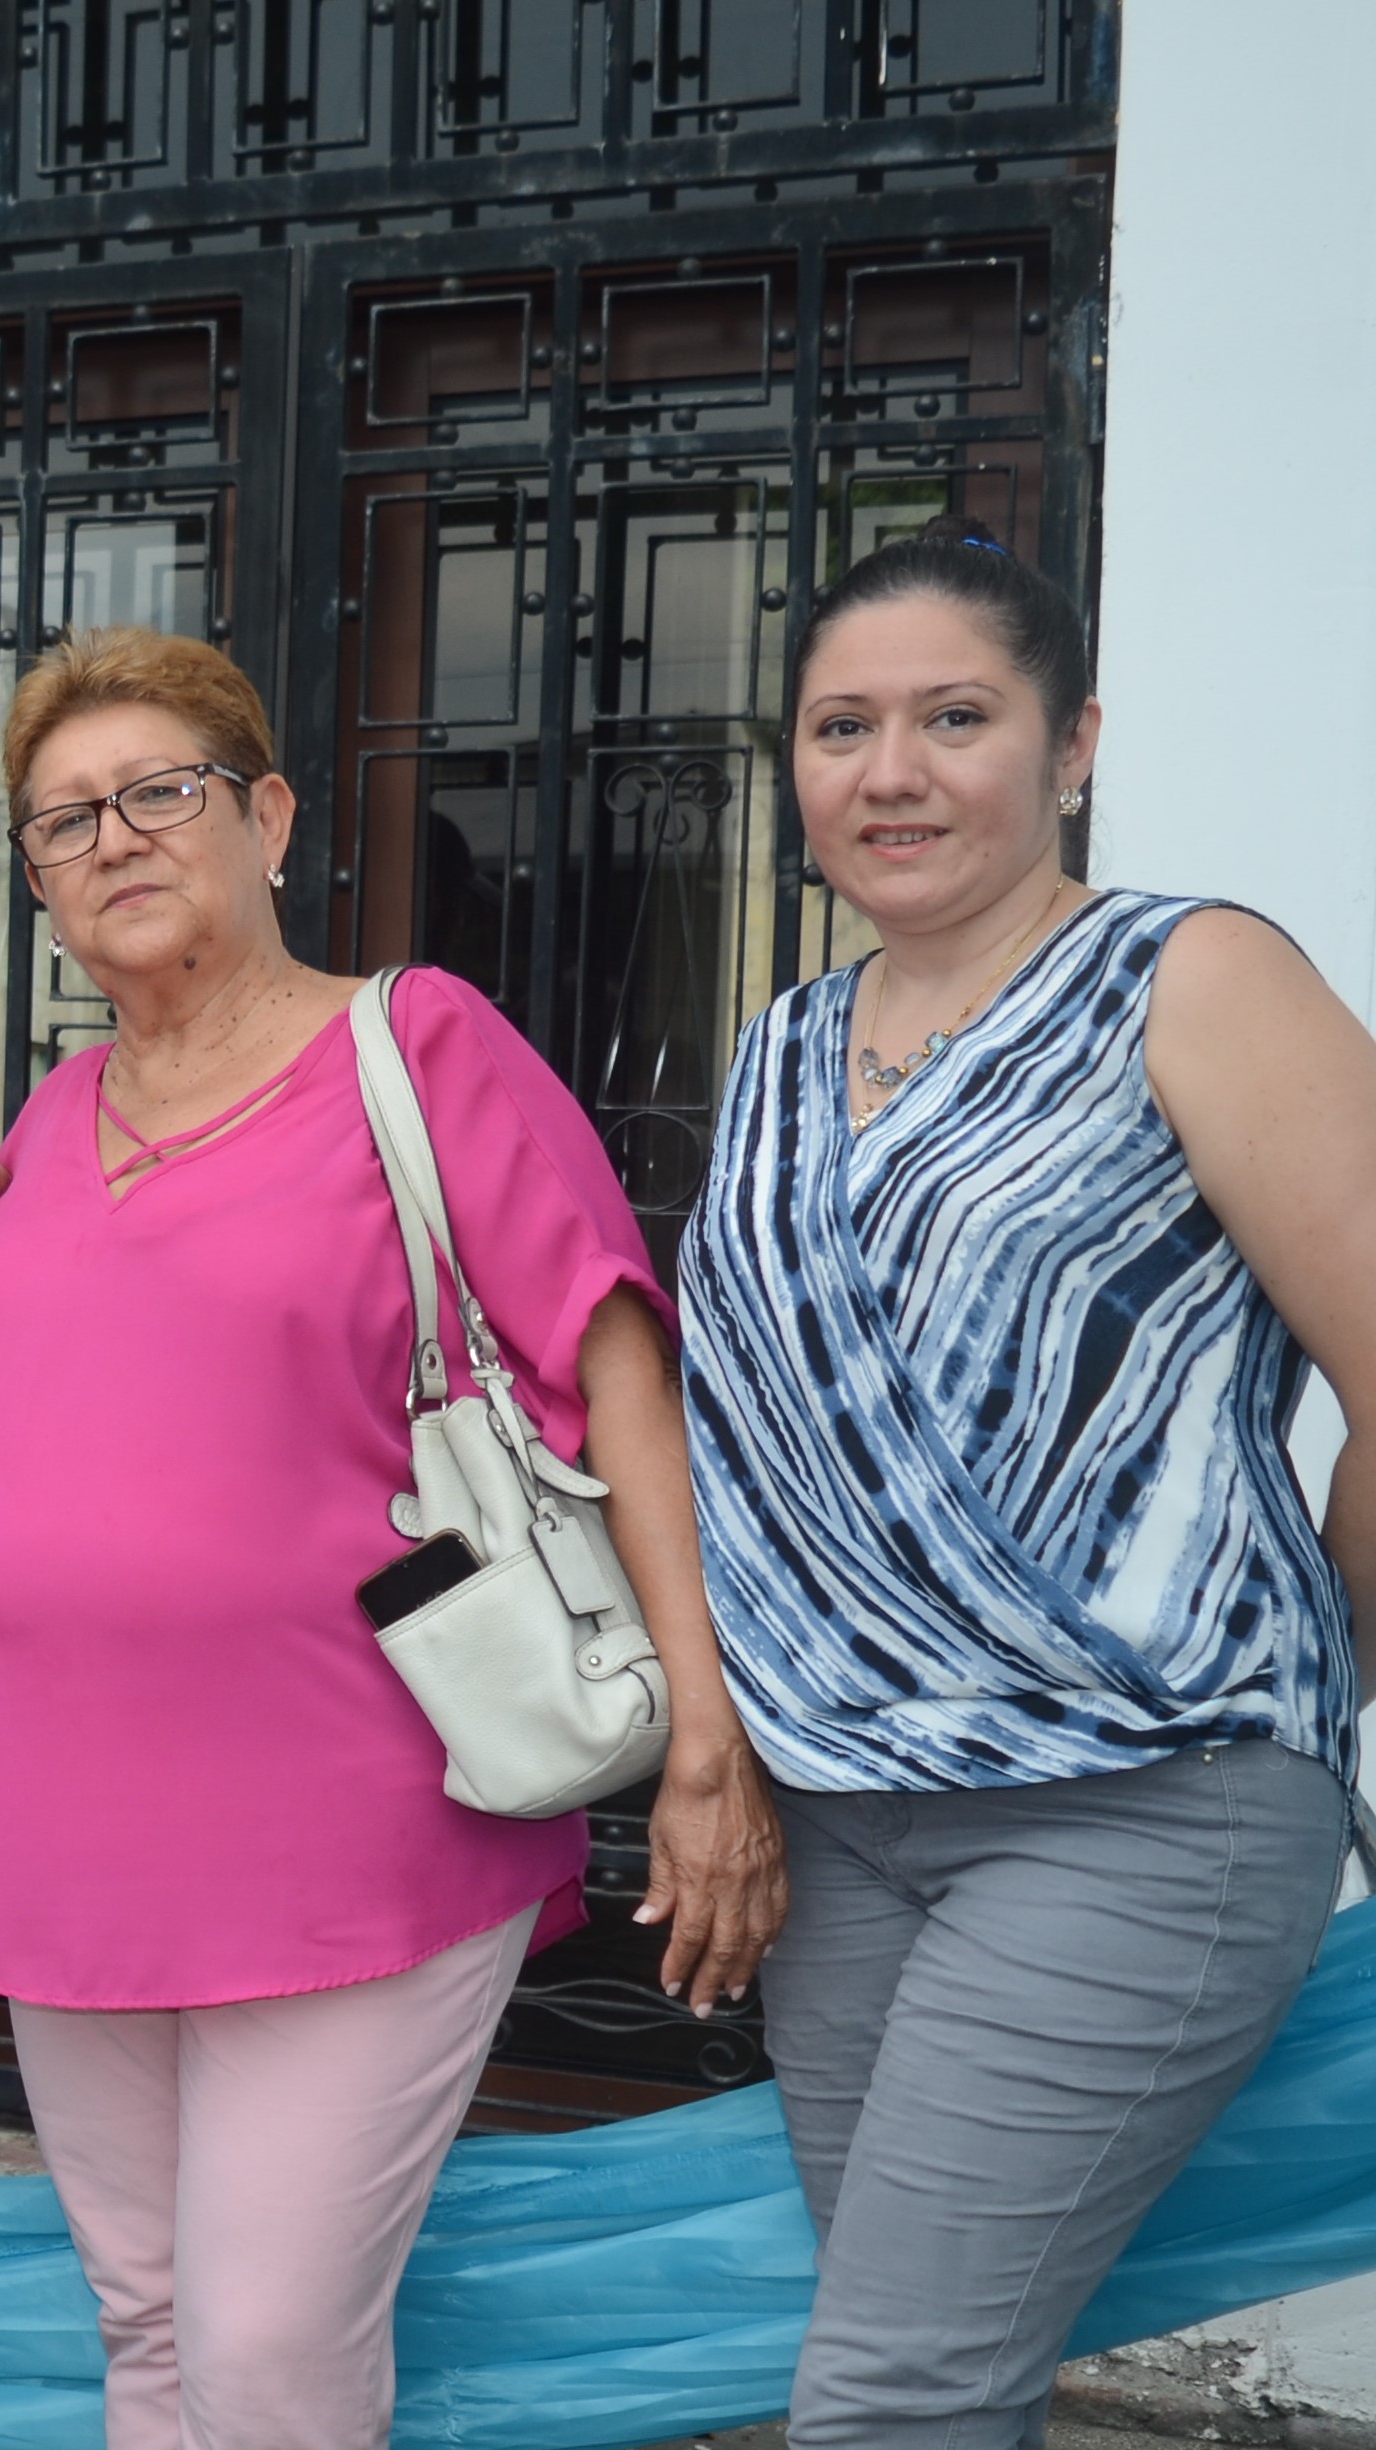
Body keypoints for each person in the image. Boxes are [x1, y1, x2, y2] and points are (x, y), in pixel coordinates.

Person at [0, 628, 782, 2448]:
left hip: (349, 1822)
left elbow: (617, 1367)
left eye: (163, 792)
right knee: (143, 2322)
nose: (117, 838)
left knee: (265, 2343)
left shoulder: (416, 1045)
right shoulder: (49, 1127)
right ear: (37, 879)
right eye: (66, 820)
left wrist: (705, 1732)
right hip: (62, 1828)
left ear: (269, 816)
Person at [681, 520, 1376, 2445]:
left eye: (951, 716)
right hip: (846, 1821)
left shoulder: (1192, 975)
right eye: (839, 727)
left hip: (1133, 1803)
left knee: (888, 2389)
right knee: (927, 2363)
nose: (887, 771)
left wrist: (1304, 1672)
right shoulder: (782, 1048)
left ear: (1070, 741)